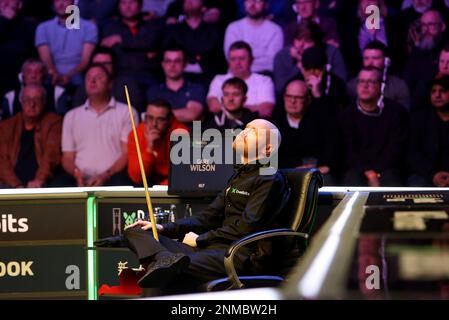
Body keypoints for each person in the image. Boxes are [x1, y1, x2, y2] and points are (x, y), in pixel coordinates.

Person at [119, 119, 290, 291]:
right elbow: (205, 218)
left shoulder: (269, 178)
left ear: (268, 149)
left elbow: (246, 228)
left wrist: (200, 239)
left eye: (253, 131)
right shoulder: (238, 176)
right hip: (211, 250)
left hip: (239, 254)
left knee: (168, 271)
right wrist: (163, 228)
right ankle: (164, 258)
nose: (243, 132)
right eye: (245, 128)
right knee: (135, 232)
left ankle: (165, 262)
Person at [57, 63, 139, 187]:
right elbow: (67, 156)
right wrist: (76, 174)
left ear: (110, 84)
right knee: (59, 185)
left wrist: (105, 175)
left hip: (113, 177)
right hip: (79, 177)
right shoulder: (71, 116)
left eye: (99, 77)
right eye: (89, 78)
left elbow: (126, 153)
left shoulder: (127, 112)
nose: (93, 81)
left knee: (122, 183)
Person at [339, 66, 409, 187]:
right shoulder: (346, 115)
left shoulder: (397, 112)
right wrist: (368, 172)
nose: (365, 86)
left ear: (381, 86)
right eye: (361, 81)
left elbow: (396, 149)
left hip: (388, 169)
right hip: (356, 169)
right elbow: (348, 151)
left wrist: (376, 171)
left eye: (371, 82)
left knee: (391, 181)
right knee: (352, 180)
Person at [273, 79, 340, 185]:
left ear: (308, 99)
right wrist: (295, 168)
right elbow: (272, 157)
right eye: (289, 96)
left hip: (318, 172)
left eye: (298, 97)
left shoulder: (322, 121)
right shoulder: (274, 123)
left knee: (327, 181)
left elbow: (333, 148)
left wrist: (321, 167)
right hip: (285, 173)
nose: (292, 101)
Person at [0, 84, 62, 188]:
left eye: (37, 99)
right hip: (11, 184)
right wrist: (17, 186)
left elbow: (51, 154)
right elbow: (2, 161)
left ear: (44, 102)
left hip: (43, 182)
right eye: (27, 99)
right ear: (21, 101)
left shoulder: (53, 122)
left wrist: (39, 179)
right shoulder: (7, 126)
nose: (32, 104)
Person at [101, 0, 164, 93]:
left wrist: (121, 39)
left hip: (148, 74)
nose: (128, 6)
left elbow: (151, 43)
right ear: (118, 6)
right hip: (120, 75)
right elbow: (111, 53)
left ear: (140, 5)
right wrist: (143, 52)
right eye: (123, 2)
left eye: (132, 2)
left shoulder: (152, 25)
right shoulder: (110, 27)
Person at [35, 0, 98, 87]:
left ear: (73, 2)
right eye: (57, 0)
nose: (60, 4)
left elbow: (85, 61)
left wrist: (68, 76)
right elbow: (46, 59)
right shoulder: (43, 28)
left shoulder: (88, 27)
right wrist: (55, 74)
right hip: (51, 73)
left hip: (78, 72)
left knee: (79, 80)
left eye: (65, 0)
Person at [273, 20, 346, 95]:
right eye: (298, 39)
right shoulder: (281, 56)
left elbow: (341, 83)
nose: (301, 45)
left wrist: (305, 63)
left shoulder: (332, 52)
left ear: (317, 43)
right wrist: (300, 69)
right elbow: (280, 88)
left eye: (307, 41)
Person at [128, 99, 189, 186]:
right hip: (147, 179)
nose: (154, 124)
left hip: (170, 180)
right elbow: (136, 177)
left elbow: (183, 175)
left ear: (169, 120)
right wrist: (149, 148)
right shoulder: (136, 134)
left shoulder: (181, 133)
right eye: (150, 118)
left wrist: (160, 188)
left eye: (160, 119)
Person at [207, 41, 275, 119]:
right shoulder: (219, 80)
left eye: (242, 58)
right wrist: (254, 108)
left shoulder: (264, 81)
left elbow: (266, 111)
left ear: (251, 60)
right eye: (233, 59)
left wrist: (229, 107)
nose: (237, 63)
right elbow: (213, 106)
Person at [146, 46, 206, 124]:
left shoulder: (196, 88)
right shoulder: (154, 91)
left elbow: (192, 115)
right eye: (168, 61)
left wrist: (161, 115)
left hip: (191, 134)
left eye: (177, 61)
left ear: (185, 64)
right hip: (164, 135)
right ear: (162, 64)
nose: (172, 65)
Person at [408, 75, 449, 187]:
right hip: (426, 175)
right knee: (416, 184)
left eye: (443, 91)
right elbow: (412, 154)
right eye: (433, 91)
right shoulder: (419, 119)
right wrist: (433, 175)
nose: (437, 95)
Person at [347, 41, 410, 110]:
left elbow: (403, 114)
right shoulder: (351, 86)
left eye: (375, 58)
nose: (370, 63)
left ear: (386, 60)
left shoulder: (399, 86)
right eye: (366, 58)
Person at [224, 0, 283, 74]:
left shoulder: (275, 30)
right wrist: (261, 54)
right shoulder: (233, 28)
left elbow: (272, 62)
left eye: (257, 1)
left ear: (266, 5)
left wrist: (244, 60)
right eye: (249, 0)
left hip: (265, 76)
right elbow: (231, 58)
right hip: (236, 77)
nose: (252, 4)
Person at [2, 59, 68, 119]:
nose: (33, 76)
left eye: (38, 72)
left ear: (44, 76)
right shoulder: (10, 96)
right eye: (29, 72)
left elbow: (62, 119)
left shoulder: (57, 93)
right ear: (23, 76)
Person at [0, 0, 37, 96]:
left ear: (20, 4)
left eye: (9, 1)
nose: (5, 3)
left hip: (18, 79)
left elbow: (26, 51)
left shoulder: (29, 25)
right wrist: (4, 20)